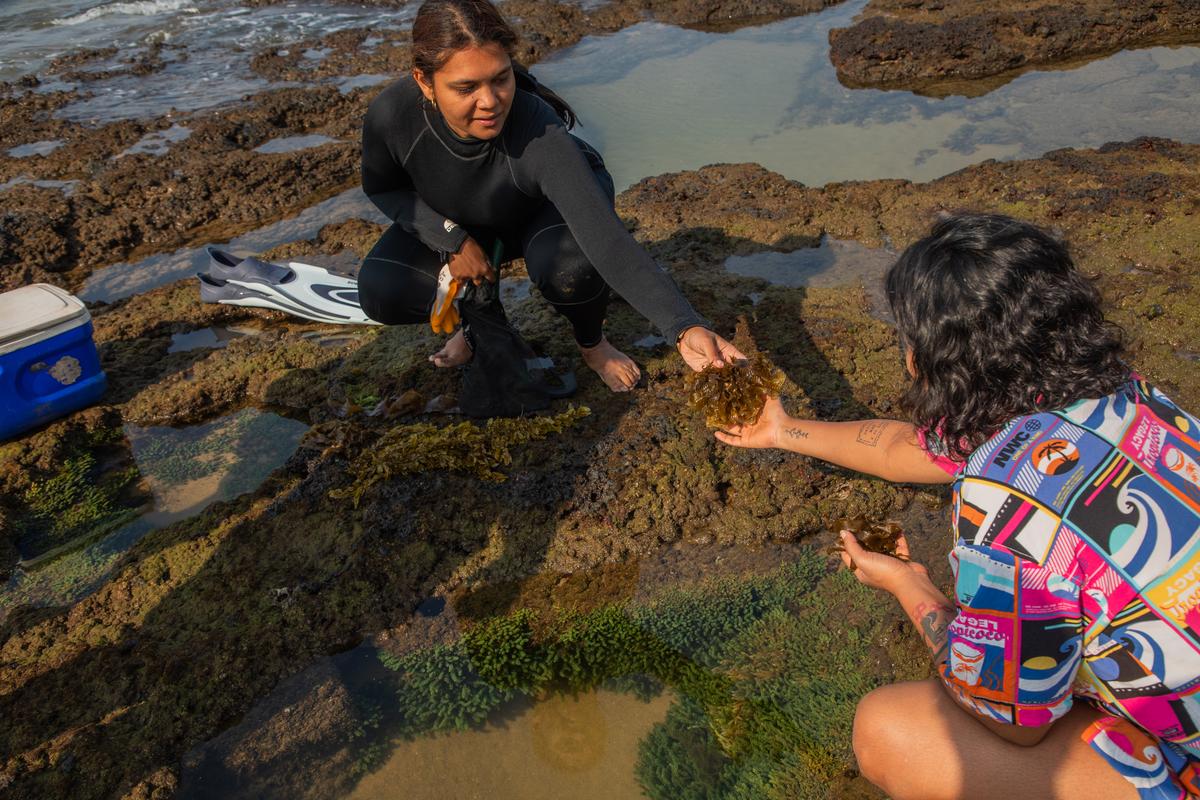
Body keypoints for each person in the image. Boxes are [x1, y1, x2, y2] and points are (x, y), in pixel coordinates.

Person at [718, 212, 1200, 799]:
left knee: (889, 731)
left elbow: (1012, 721)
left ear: (926, 357)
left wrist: (909, 586)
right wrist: (782, 430)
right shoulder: (1131, 396)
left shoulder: (1005, 500)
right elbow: (900, 449)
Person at [358, 0, 741, 393]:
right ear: (424, 82)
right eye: (466, 88)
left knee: (572, 271)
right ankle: (479, 324)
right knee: (384, 290)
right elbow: (383, 187)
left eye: (501, 78)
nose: (490, 101)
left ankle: (593, 344)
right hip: (467, 220)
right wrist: (451, 239)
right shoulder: (393, 116)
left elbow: (608, 243)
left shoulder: (538, 130)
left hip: (545, 214)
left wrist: (684, 327)